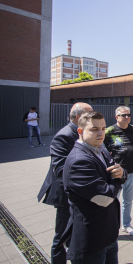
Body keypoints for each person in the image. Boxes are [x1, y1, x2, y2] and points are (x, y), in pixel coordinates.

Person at [62, 111, 126, 263]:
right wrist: (118, 179)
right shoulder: (79, 160)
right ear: (80, 131)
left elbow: (117, 170)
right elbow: (105, 198)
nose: (100, 133)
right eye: (94, 129)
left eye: (103, 129)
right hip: (91, 240)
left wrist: (122, 172)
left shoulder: (101, 149)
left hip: (108, 234)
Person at [37, 102, 93, 264]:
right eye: (88, 114)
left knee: (74, 233)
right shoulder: (64, 135)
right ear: (78, 117)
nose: (91, 117)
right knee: (61, 236)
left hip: (78, 193)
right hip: (65, 195)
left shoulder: (81, 133)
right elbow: (60, 169)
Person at [104, 106, 133, 236]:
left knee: (128, 200)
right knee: (113, 200)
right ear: (117, 117)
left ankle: (126, 225)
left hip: (132, 170)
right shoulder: (110, 131)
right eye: (123, 115)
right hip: (116, 172)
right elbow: (101, 148)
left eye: (128, 115)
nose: (127, 117)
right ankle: (110, 226)